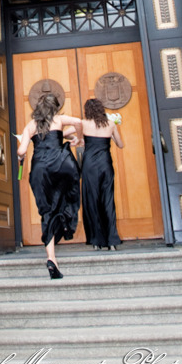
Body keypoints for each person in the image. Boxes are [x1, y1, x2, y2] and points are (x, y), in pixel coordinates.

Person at [17, 92, 82, 279]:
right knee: (64, 199)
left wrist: (21, 155)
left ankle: (51, 258)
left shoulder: (31, 125)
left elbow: (22, 150)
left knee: (47, 211)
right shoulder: (59, 120)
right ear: (55, 108)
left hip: (41, 171)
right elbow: (78, 121)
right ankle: (65, 223)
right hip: (61, 165)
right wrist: (79, 138)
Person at [81, 97, 124, 250]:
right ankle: (112, 241)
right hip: (105, 164)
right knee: (108, 200)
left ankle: (96, 241)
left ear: (87, 111)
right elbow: (120, 144)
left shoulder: (84, 124)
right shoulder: (110, 124)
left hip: (89, 166)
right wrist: (110, 134)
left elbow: (65, 133)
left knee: (92, 200)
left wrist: (79, 139)